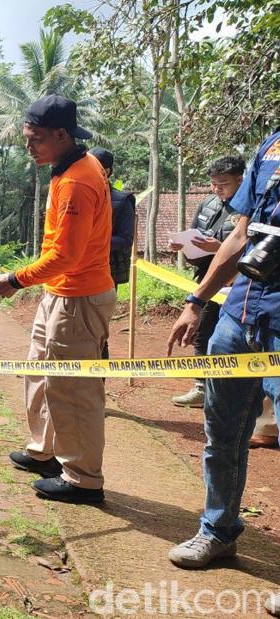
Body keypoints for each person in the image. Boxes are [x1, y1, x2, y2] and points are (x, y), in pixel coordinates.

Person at [165, 131, 280, 599]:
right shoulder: (271, 146)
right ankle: (218, 530)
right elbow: (240, 233)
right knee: (223, 433)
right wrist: (197, 301)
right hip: (239, 316)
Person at [0, 95, 115, 505]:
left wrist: (16, 279)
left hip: (78, 298)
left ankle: (82, 478)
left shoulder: (79, 180)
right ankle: (44, 451)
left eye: (37, 139)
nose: (29, 146)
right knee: (40, 373)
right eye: (27, 137)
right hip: (58, 293)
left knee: (73, 389)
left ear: (62, 135)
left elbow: (67, 256)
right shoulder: (67, 168)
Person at [168, 156, 246, 408]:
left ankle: (231, 395)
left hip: (239, 285)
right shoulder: (208, 203)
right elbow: (196, 235)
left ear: (240, 179)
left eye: (223, 183)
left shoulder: (251, 209)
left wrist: (220, 248)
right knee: (202, 333)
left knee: (233, 340)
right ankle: (201, 387)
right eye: (213, 184)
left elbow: (252, 250)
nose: (216, 189)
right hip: (208, 281)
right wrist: (183, 245)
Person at [89, 147, 135, 360]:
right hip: (74, 273)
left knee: (98, 332)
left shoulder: (122, 200)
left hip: (106, 274)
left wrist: (90, 242)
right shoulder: (79, 194)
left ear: (106, 171)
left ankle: (98, 384)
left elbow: (125, 241)